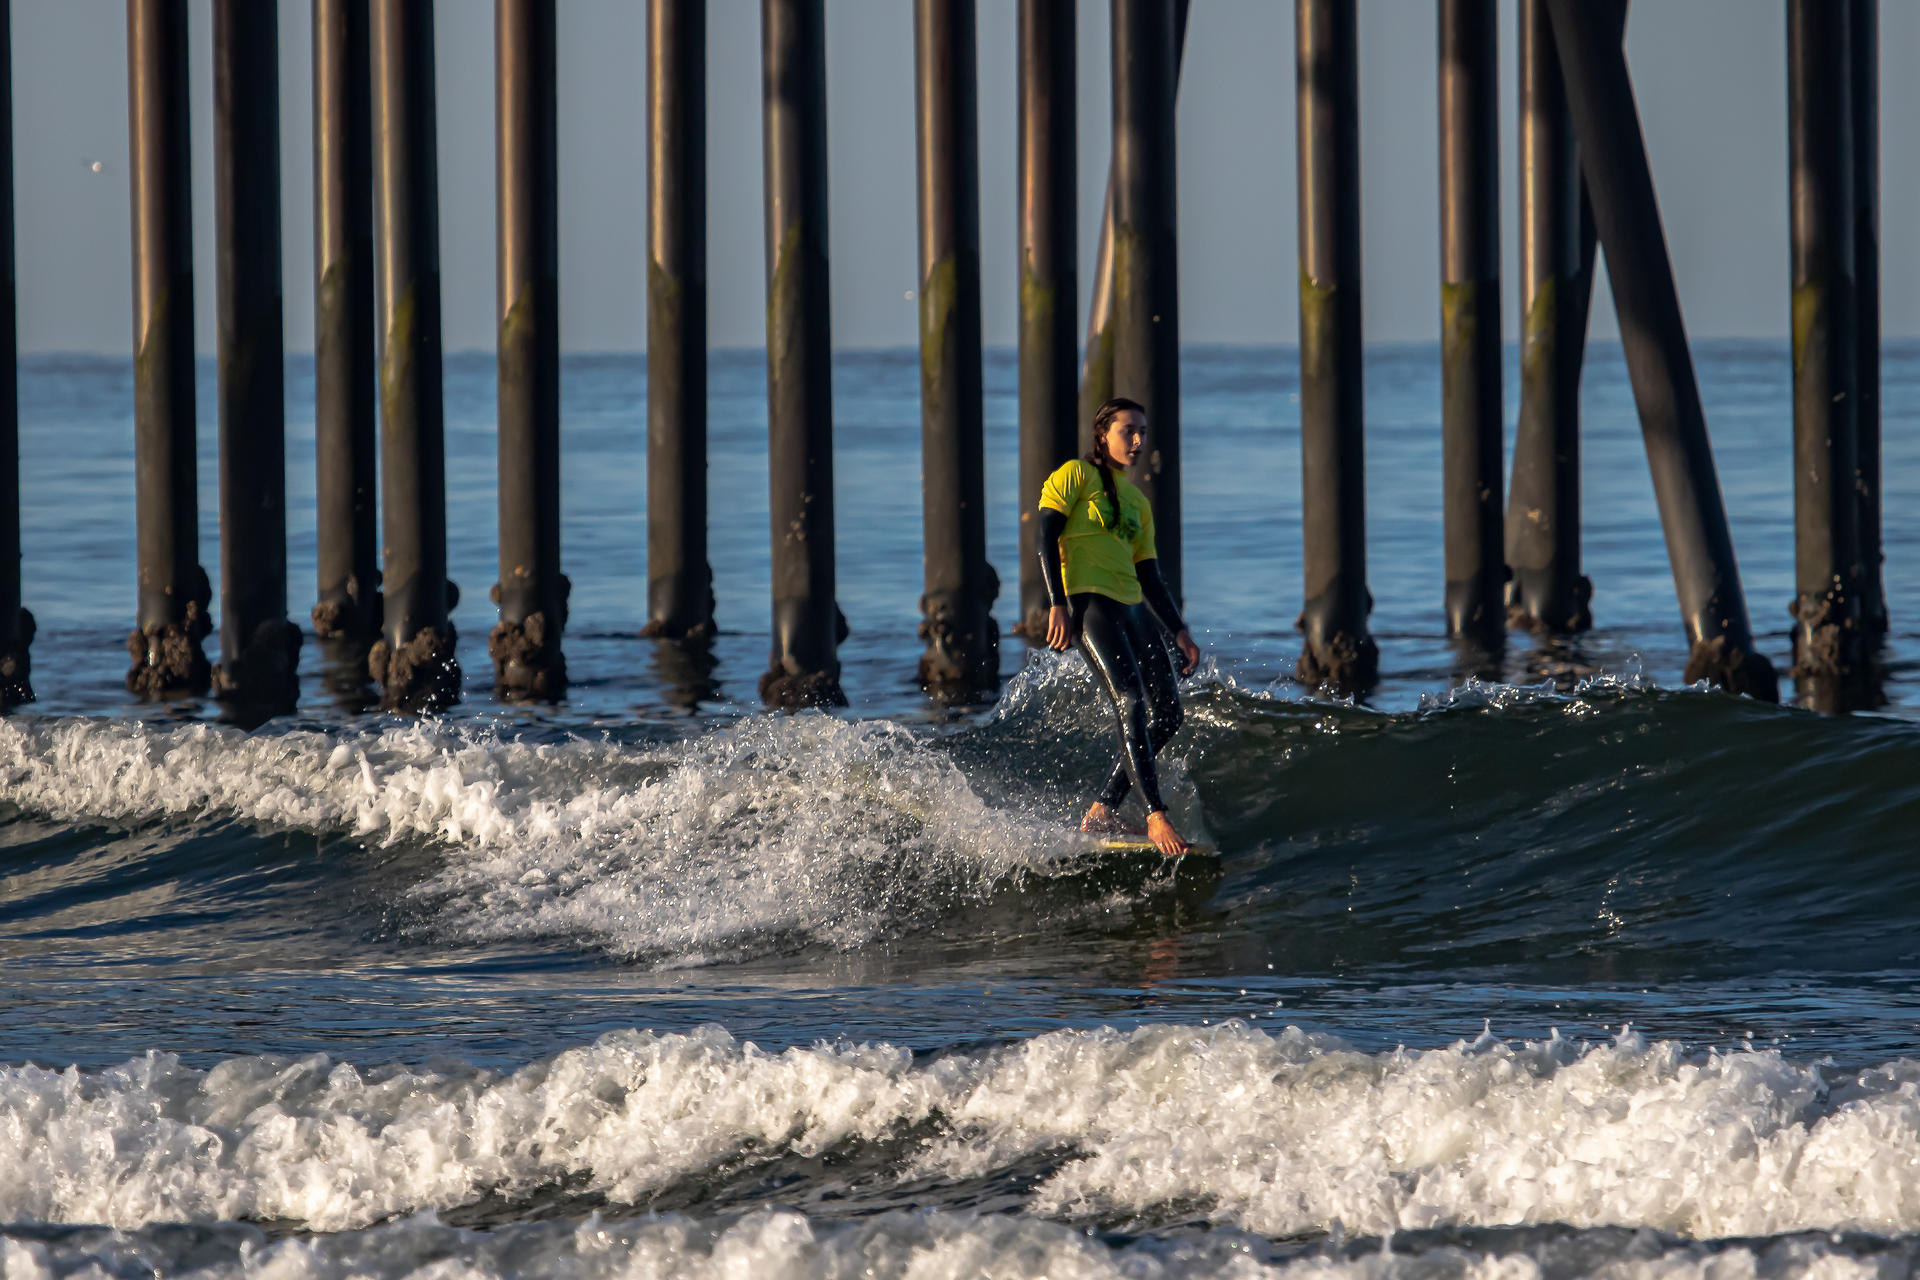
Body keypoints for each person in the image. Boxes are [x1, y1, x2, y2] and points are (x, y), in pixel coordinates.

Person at [1037, 396, 1200, 857]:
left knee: (1169, 713)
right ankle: (1155, 816)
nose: (1137, 440)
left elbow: (1149, 573)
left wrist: (1180, 631)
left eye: (1143, 432)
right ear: (1102, 435)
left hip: (1134, 608)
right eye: (1128, 430)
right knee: (1129, 700)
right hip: (1092, 605)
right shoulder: (1075, 475)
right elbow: (1045, 533)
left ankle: (1103, 808)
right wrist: (1057, 603)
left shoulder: (1137, 502)